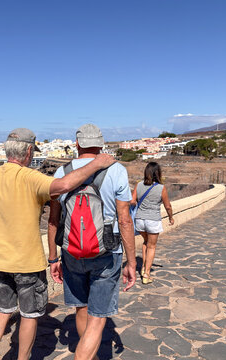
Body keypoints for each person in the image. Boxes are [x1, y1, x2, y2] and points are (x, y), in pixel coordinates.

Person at [0, 128, 116, 360]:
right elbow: (63, 185)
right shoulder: (30, 177)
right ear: (29, 151)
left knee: (1, 311)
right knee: (29, 315)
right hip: (27, 263)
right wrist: (97, 163)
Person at [47, 124, 137, 360]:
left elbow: (53, 220)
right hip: (107, 251)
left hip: (71, 252)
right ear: (100, 144)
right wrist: (131, 262)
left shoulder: (61, 173)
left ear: (77, 144)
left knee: (82, 309)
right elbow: (125, 220)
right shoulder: (116, 170)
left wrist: (53, 258)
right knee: (98, 319)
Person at [131, 161, 174, 284]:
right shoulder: (161, 188)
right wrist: (171, 217)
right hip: (153, 220)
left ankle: (144, 267)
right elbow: (168, 206)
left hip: (139, 220)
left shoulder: (138, 185)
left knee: (145, 243)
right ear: (158, 173)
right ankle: (147, 274)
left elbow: (132, 201)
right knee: (152, 246)